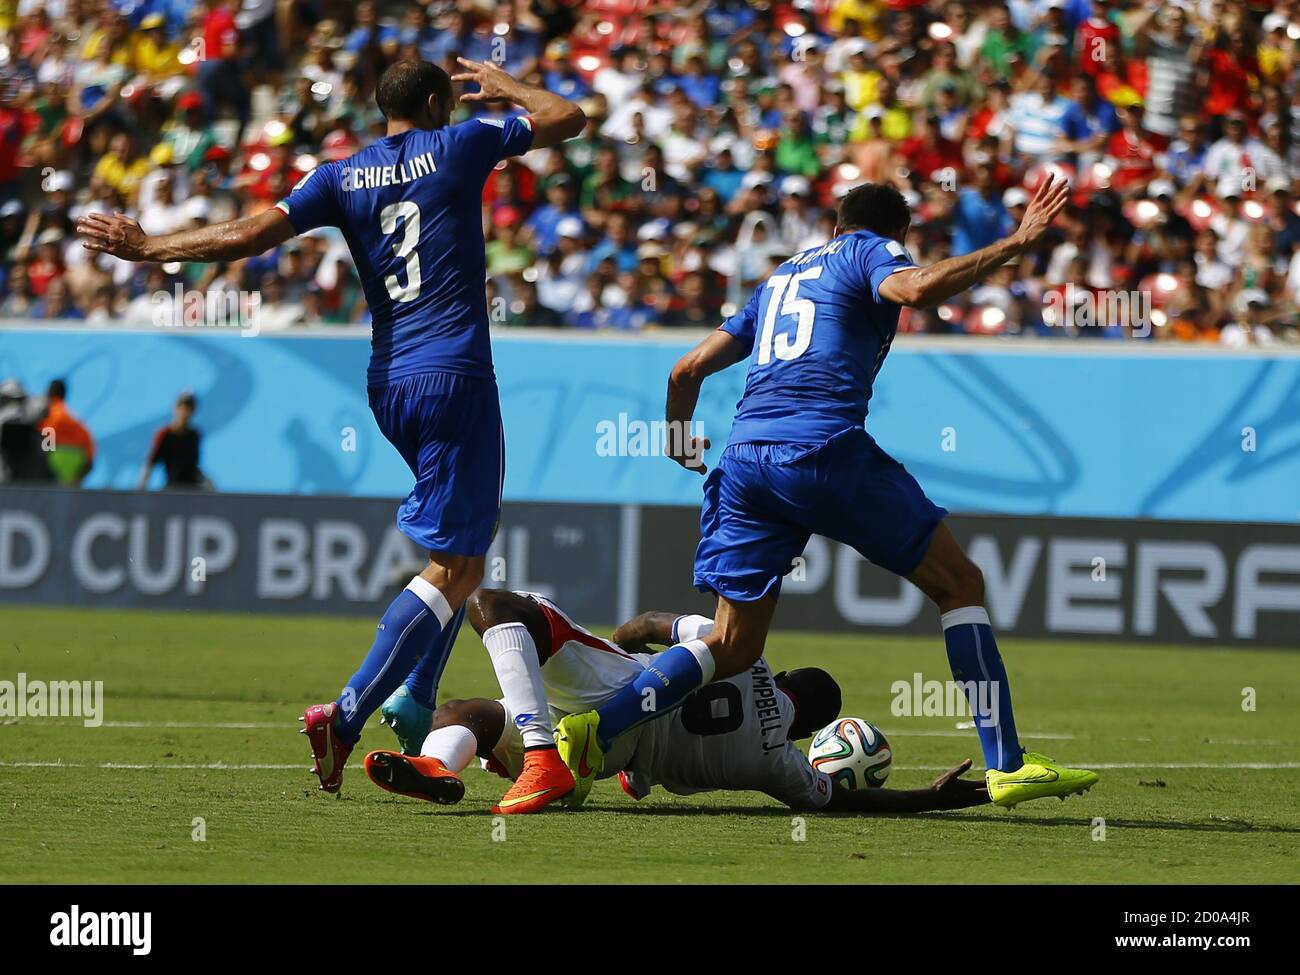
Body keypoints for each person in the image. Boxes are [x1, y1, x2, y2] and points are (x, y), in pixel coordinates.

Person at [77, 57, 585, 798]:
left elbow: (249, 235)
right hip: (455, 376)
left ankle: (417, 692)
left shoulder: (338, 175)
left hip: (389, 383)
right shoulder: (465, 142)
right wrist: (511, 92)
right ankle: (348, 713)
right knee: (459, 567)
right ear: (441, 101)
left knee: (459, 552)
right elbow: (570, 116)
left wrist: (149, 247)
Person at [554, 178, 1099, 810]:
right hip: (822, 448)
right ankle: (1007, 764)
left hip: (743, 463)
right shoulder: (870, 252)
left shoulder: (781, 279)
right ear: (896, 236)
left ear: (834, 224)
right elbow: (918, 290)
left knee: (732, 646)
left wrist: (679, 437)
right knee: (960, 586)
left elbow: (686, 369)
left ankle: (598, 728)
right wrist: (1017, 242)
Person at [365, 589, 990, 816]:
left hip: (609, 690)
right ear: (812, 733)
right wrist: (927, 799)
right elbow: (849, 802)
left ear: (792, 675)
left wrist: (609, 647)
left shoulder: (747, 655)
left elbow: (643, 625)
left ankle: (459, 761)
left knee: (492, 610)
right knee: (481, 710)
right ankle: (471, 766)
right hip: (608, 759)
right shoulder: (781, 766)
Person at [139, 391, 205, 490]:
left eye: (189, 408)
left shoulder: (195, 435)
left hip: (192, 490)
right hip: (172, 489)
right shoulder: (164, 434)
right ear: (175, 409)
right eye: (183, 407)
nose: (185, 412)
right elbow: (150, 464)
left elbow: (192, 466)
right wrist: (141, 489)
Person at [38, 378, 96, 485]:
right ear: (65, 395)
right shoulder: (75, 419)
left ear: (49, 393)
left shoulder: (50, 416)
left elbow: (46, 444)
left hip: (55, 464)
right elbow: (90, 450)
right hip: (77, 465)